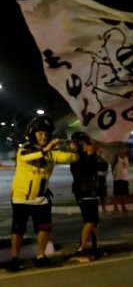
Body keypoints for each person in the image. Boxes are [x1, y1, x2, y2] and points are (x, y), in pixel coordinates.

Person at [6, 116, 79, 271]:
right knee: (18, 230)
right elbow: (27, 157)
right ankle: (14, 258)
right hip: (21, 199)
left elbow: (70, 158)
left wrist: (74, 150)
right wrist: (45, 150)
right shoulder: (24, 149)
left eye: (46, 134)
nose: (44, 137)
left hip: (42, 199)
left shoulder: (50, 154)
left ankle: (41, 256)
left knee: (44, 229)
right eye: (40, 133)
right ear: (33, 134)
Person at [70, 132, 107, 259]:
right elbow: (82, 171)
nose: (88, 145)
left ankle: (95, 246)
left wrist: (96, 155)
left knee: (94, 222)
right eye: (86, 143)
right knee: (90, 221)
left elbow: (103, 166)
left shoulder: (90, 156)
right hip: (83, 192)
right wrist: (91, 155)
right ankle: (81, 248)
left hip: (92, 191)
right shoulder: (76, 157)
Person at [112, 145, 131, 213]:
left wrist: (127, 178)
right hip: (118, 178)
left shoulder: (126, 158)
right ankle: (115, 207)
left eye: (124, 149)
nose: (123, 150)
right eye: (121, 149)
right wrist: (114, 175)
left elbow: (127, 168)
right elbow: (112, 166)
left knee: (124, 194)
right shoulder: (117, 157)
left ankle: (123, 207)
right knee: (117, 194)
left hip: (125, 178)